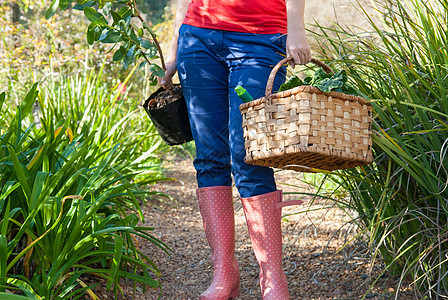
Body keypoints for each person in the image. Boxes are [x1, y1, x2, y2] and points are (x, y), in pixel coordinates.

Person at [159, 0, 311, 298]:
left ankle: (272, 277)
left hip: (262, 38)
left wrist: (296, 29)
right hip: (199, 37)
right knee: (210, 158)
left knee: (248, 154)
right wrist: (175, 47)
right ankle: (224, 272)